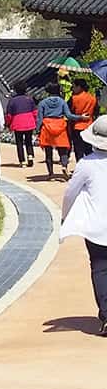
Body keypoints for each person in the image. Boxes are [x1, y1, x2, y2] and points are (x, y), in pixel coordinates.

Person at [60, 114, 107, 337]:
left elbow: (70, 193)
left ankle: (106, 316)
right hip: (97, 228)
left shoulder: (86, 164)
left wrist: (65, 216)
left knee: (100, 268)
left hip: (97, 227)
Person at [38, 82, 75, 180]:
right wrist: (80, 117)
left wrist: (38, 129)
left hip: (47, 126)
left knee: (48, 152)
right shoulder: (62, 102)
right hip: (60, 125)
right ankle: (64, 166)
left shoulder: (43, 102)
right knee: (63, 150)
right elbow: (68, 115)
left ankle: (50, 173)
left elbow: (40, 119)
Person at [5, 80, 38, 167]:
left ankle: (22, 161)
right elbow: (35, 112)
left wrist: (8, 124)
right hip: (29, 122)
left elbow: (9, 115)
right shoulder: (29, 99)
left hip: (18, 123)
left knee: (19, 142)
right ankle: (30, 155)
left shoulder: (12, 101)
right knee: (28, 140)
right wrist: (35, 121)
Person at [70, 78, 97, 161]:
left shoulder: (74, 98)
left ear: (79, 87)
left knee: (78, 150)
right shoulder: (93, 98)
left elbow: (70, 112)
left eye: (74, 87)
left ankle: (80, 165)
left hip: (77, 126)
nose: (72, 89)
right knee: (88, 149)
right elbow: (96, 112)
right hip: (89, 126)